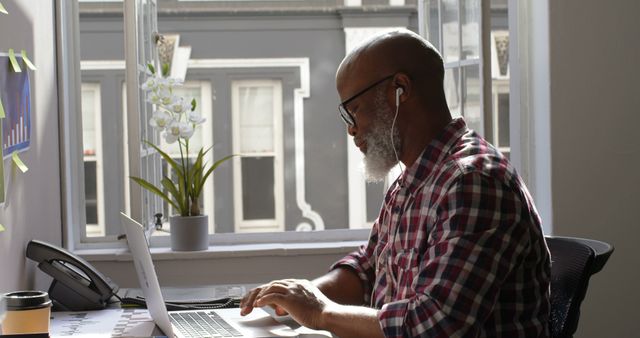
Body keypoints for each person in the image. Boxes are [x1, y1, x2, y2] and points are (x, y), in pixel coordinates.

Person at [240, 29, 550, 338]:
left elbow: (437, 326)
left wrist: (322, 313)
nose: (351, 130)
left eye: (353, 110)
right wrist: (297, 295)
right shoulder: (414, 181)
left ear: (399, 89)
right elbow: (369, 269)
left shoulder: (472, 182)